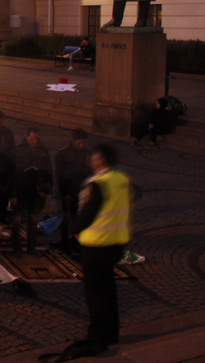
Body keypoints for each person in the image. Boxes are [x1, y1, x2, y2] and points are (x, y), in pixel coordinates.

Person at [72, 144, 133, 349]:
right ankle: (111, 331)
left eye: (93, 157)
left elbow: (88, 212)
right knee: (108, 289)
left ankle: (98, 334)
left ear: (99, 159)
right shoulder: (121, 179)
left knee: (95, 292)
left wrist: (75, 228)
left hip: (96, 243)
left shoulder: (98, 182)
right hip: (117, 240)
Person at [10, 167, 52, 256]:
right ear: (37, 188)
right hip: (20, 196)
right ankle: (17, 248)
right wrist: (14, 199)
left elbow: (40, 201)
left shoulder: (48, 179)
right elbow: (12, 186)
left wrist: (34, 212)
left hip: (33, 198)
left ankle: (31, 248)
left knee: (33, 222)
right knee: (17, 221)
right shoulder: (23, 181)